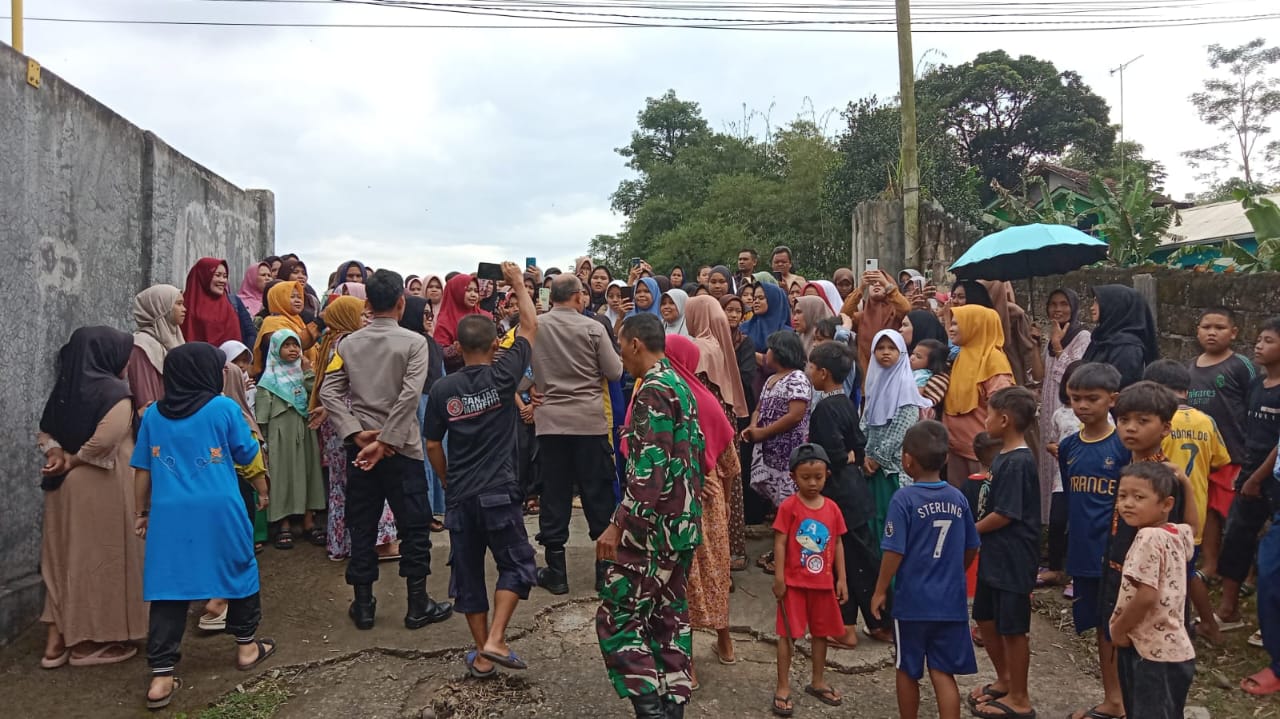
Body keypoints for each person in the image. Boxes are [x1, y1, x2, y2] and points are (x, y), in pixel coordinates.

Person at [131, 343, 274, 710]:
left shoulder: (153, 416)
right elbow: (247, 453)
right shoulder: (223, 407)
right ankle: (246, 648)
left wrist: (140, 513)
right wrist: (261, 489)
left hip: (168, 513)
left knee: (168, 586)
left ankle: (161, 678)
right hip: (220, 507)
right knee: (239, 569)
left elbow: (143, 470)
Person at [318, 269, 452, 631]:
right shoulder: (415, 343)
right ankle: (417, 603)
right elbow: (410, 396)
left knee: (362, 525)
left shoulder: (346, 345)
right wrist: (387, 441)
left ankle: (363, 606)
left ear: (367, 304)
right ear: (400, 302)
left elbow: (329, 392)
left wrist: (357, 434)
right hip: (403, 449)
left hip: (360, 449)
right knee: (415, 526)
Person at [425, 261, 539, 679]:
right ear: (495, 344)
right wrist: (515, 283)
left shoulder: (442, 389)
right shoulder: (504, 374)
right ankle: (495, 638)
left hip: (460, 496)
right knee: (518, 564)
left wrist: (445, 478)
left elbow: (433, 443)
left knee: (468, 575)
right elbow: (529, 326)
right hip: (499, 491)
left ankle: (483, 653)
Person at [596, 312, 706, 719]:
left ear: (635, 343)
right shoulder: (680, 385)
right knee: (668, 621)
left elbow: (650, 471)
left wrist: (618, 524)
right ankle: (670, 708)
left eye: (620, 343)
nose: (619, 352)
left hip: (654, 531)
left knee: (617, 618)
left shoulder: (653, 391)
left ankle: (651, 711)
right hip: (682, 527)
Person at [36, 327, 145, 670]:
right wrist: (76, 458)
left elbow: (45, 431)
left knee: (62, 559)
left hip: (63, 488)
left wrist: (56, 454)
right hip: (103, 487)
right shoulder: (115, 392)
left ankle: (55, 642)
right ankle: (89, 644)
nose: (127, 360)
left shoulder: (65, 390)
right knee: (99, 563)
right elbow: (107, 438)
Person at [873, 421, 980, 719]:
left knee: (907, 669)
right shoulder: (958, 498)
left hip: (912, 604)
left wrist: (880, 589)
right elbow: (972, 545)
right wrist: (957, 570)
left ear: (907, 460)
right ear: (946, 459)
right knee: (943, 672)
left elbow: (894, 550)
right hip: (950, 603)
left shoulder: (904, 499)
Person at [530, 274, 624, 595]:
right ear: (578, 296)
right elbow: (614, 371)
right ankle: (604, 572)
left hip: (550, 425)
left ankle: (557, 572)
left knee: (554, 494)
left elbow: (514, 370)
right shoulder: (593, 328)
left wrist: (532, 389)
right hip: (588, 423)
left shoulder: (536, 327)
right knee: (597, 494)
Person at [806, 341, 890, 649]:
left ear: (824, 373)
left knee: (844, 563)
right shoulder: (843, 401)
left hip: (840, 495)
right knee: (863, 561)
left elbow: (834, 455)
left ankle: (846, 628)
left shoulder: (825, 409)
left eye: (811, 368)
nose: (809, 372)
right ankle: (878, 622)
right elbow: (858, 443)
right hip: (855, 492)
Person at [1055, 363, 1128, 719]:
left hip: (1118, 552)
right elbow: (1072, 498)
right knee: (1100, 625)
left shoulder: (1125, 446)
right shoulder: (1068, 447)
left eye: (1092, 399)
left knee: (1120, 625)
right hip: (1084, 552)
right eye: (1075, 399)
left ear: (1112, 400)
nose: (1083, 406)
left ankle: (1125, 698)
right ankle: (1113, 698)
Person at [666, 335, 739, 682]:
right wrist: (722, 502)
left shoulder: (659, 396)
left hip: (675, 503)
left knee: (684, 583)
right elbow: (731, 461)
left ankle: (688, 665)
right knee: (715, 576)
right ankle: (725, 644)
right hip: (711, 507)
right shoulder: (709, 400)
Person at [1145, 359, 1231, 643]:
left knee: (1173, 571)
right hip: (1196, 509)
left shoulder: (1157, 422)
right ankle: (1207, 625)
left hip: (1165, 506)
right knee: (1186, 568)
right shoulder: (1206, 421)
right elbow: (1220, 460)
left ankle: (1184, 626)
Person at [309, 296, 400, 562]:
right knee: (369, 478)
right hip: (353, 423)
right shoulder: (349, 344)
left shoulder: (330, 343)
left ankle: (341, 544)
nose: (366, 320)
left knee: (340, 484)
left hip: (335, 422)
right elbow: (350, 387)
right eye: (360, 315)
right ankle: (382, 543)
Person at [968, 387, 1039, 719]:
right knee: (985, 615)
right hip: (995, 554)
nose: (986, 419)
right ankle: (1005, 679)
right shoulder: (1003, 458)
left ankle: (1020, 698)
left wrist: (970, 530)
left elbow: (1006, 513)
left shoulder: (1019, 462)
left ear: (1005, 420)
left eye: (989, 413)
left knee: (1012, 626)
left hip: (1013, 557)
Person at [1108, 462, 1197, 719]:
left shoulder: (1147, 537)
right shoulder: (1174, 534)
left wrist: (1118, 629)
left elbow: (1146, 595)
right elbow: (1193, 527)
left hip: (1147, 651)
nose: (1127, 504)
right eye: (1122, 496)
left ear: (1166, 505)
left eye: (1139, 497)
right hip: (1176, 649)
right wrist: (1187, 484)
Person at [771, 443, 847, 715]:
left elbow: (837, 543)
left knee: (821, 634)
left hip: (823, 584)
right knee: (787, 636)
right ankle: (783, 686)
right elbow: (779, 542)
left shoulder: (833, 509)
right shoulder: (789, 507)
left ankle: (818, 680)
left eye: (818, 477)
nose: (813, 483)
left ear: (827, 474)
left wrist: (842, 579)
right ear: (793, 477)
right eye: (805, 477)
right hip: (793, 584)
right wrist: (779, 578)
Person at [1216, 317, 1280, 633]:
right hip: (1250, 470)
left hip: (1272, 478)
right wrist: (1246, 473)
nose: (1259, 345)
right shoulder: (1257, 385)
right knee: (1237, 536)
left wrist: (1258, 478)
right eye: (1259, 339)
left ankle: (1268, 622)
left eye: (1268, 340)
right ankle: (1228, 610)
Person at [1186, 307, 1254, 582]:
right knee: (1209, 513)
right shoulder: (1190, 367)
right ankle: (1211, 564)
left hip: (1234, 454)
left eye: (1220, 327)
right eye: (1206, 327)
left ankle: (1245, 573)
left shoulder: (1240, 366)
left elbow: (1254, 401)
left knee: (1235, 515)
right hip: (1202, 456)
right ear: (1197, 331)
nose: (1212, 333)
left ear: (1234, 332)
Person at [685, 295, 749, 572]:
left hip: (706, 424)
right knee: (729, 484)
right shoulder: (721, 344)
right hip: (726, 419)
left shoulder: (699, 347)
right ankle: (733, 550)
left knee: (710, 487)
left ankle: (712, 558)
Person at [744, 331, 813, 574]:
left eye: (770, 349)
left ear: (781, 352)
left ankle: (793, 556)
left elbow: (795, 415)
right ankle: (781, 550)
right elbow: (759, 408)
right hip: (770, 455)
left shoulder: (797, 379)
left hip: (788, 456)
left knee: (793, 506)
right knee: (780, 507)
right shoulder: (772, 379)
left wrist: (764, 433)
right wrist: (754, 427)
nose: (766, 354)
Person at [255, 330, 325, 549]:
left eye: (295, 345)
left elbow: (316, 395)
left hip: (305, 431)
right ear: (276, 350)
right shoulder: (268, 381)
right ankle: (283, 524)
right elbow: (262, 416)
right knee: (282, 475)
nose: (293, 349)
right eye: (286, 345)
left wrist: (307, 373)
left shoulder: (303, 373)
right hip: (280, 436)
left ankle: (308, 521)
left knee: (308, 472)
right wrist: (264, 442)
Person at [943, 306, 1015, 488]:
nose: (951, 329)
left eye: (956, 324)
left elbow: (1001, 405)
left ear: (975, 325)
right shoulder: (963, 356)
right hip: (957, 448)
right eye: (951, 324)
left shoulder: (993, 359)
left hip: (982, 453)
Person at [1040, 289, 1092, 525]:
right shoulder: (1052, 335)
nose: (1058, 309)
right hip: (1050, 409)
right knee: (1048, 466)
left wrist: (1059, 345)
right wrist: (1036, 345)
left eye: (1063, 304)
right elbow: (1041, 373)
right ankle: (1049, 523)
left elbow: (1075, 373)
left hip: (1069, 410)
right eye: (1053, 304)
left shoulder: (1082, 336)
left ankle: (1065, 525)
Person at [1082, 285, 1158, 389]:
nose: (1092, 307)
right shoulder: (1102, 338)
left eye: (1097, 302)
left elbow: (1119, 387)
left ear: (1115, 305)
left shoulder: (1127, 347)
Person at [127, 285, 187, 418]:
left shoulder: (176, 339)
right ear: (162, 308)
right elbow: (146, 399)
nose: (184, 309)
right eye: (179, 304)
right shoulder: (141, 346)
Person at [840, 269, 911, 377]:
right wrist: (860, 288)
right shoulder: (862, 317)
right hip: (866, 378)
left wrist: (887, 285)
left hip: (892, 375)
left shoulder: (896, 314)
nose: (877, 284)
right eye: (872, 283)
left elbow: (906, 309)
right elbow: (844, 315)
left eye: (880, 282)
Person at [256, 280, 321, 375]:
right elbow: (292, 344)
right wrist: (319, 323)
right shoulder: (272, 322)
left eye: (299, 297)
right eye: (292, 297)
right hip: (282, 379)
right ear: (278, 299)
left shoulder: (298, 320)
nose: (298, 300)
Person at [435, 273, 492, 373]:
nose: (473, 295)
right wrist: (459, 348)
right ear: (456, 291)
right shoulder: (445, 321)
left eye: (476, 291)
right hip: (455, 376)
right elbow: (439, 354)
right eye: (468, 290)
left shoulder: (485, 316)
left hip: (484, 374)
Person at [180, 258, 243, 347]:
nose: (222, 280)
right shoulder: (184, 306)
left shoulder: (228, 307)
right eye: (217, 275)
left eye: (225, 276)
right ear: (203, 276)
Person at [741, 282, 792, 368]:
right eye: (755, 298)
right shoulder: (744, 328)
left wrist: (749, 353)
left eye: (761, 298)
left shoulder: (787, 334)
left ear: (773, 300)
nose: (756, 302)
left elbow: (784, 364)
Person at [909, 339, 950, 416]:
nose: (912, 358)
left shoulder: (922, 375)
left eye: (918, 356)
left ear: (932, 362)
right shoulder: (910, 370)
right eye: (913, 353)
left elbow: (916, 396)